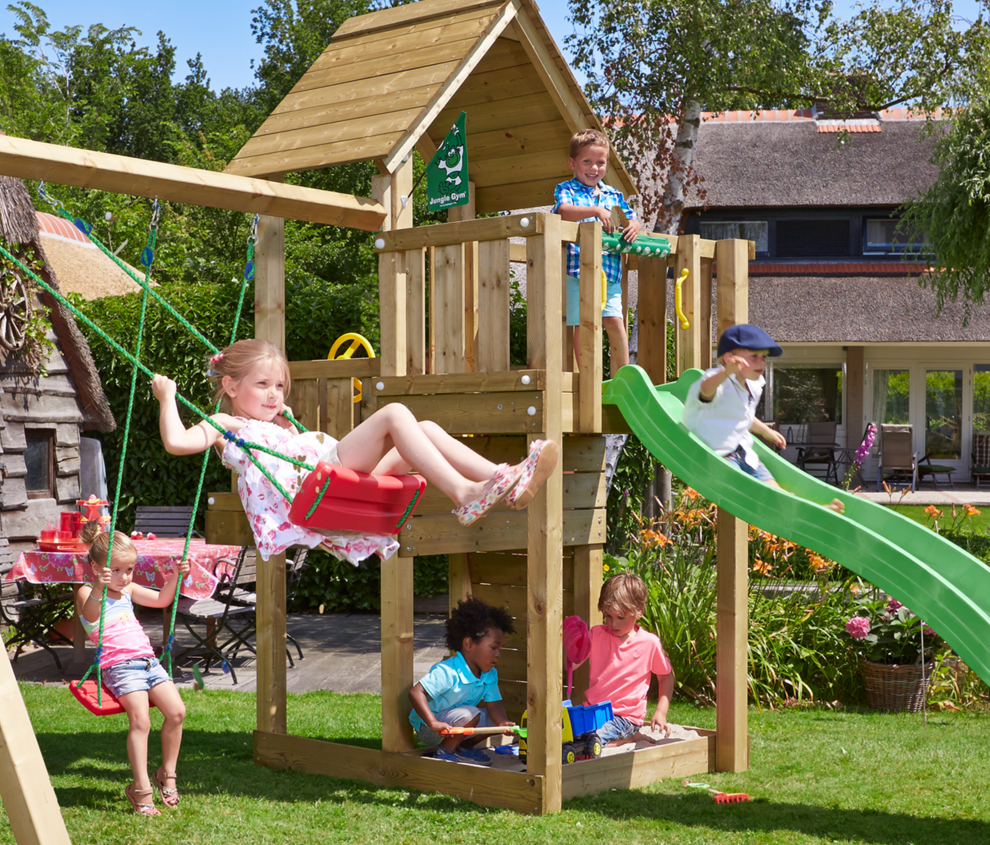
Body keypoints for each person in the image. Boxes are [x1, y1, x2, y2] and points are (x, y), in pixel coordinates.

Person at [152, 339, 559, 557]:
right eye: (262, 385)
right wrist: (167, 397)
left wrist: (282, 424)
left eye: (279, 386)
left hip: (333, 483)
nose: (274, 394)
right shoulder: (229, 424)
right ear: (230, 386)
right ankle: (465, 493)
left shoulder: (273, 425)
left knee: (427, 427)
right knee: (395, 413)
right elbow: (176, 442)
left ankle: (503, 478)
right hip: (316, 486)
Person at [74, 520, 188, 816]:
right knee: (141, 721)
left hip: (148, 662)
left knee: (177, 712)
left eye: (129, 570)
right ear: (96, 568)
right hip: (119, 667)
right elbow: (90, 614)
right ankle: (141, 789)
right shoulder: (88, 593)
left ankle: (167, 772)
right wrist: (99, 585)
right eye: (116, 571)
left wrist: (175, 576)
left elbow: (163, 600)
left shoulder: (127, 590)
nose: (124, 577)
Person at [682, 323, 846, 513]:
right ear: (729, 358)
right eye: (754, 357)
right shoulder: (717, 380)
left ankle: (805, 508)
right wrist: (726, 371)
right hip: (716, 455)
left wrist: (766, 431)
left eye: (764, 357)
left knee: (771, 485)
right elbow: (705, 391)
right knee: (744, 488)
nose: (761, 362)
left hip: (742, 450)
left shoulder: (752, 385)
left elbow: (744, 416)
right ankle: (788, 508)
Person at [554, 128, 641, 376]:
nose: (594, 168)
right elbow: (563, 211)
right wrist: (594, 210)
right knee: (585, 321)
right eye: (587, 162)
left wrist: (633, 226)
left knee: (615, 320)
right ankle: (589, 375)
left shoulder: (613, 195)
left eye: (600, 163)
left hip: (609, 272)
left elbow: (631, 219)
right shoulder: (566, 189)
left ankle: (624, 376)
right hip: (579, 271)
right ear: (573, 163)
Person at [409, 597, 515, 765]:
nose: (498, 654)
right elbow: (416, 692)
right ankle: (445, 752)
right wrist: (433, 723)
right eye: (493, 647)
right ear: (469, 643)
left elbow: (494, 705)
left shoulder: (489, 675)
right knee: (470, 714)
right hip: (429, 728)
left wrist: (502, 723)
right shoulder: (448, 671)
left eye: (499, 649)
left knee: (489, 719)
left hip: (457, 722)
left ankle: (462, 748)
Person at [584, 572, 674, 744]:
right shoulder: (596, 634)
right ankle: (627, 739)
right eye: (608, 616)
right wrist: (573, 646)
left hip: (626, 716)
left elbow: (666, 677)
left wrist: (661, 712)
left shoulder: (649, 643)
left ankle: (629, 738)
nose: (613, 623)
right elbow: (571, 666)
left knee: (593, 740)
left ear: (639, 611)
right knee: (571, 737)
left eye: (620, 617)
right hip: (594, 711)